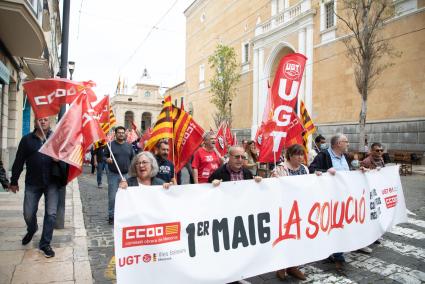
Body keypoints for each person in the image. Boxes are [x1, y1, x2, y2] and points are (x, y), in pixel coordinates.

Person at [9, 117, 67, 258]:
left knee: (51, 214)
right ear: (35, 122)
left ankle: (45, 244)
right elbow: (19, 160)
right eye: (39, 119)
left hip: (52, 182)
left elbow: (67, 161)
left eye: (45, 120)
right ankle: (32, 228)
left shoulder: (56, 139)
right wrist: (14, 180)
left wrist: (58, 160)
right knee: (28, 213)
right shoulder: (27, 140)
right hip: (32, 182)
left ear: (50, 122)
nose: (42, 122)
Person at [308, 133, 351, 271]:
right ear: (338, 143)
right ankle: (337, 255)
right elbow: (312, 170)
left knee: (341, 225)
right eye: (346, 141)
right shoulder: (324, 155)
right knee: (334, 225)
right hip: (329, 199)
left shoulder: (346, 157)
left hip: (344, 198)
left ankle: (333, 251)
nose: (348, 144)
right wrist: (326, 171)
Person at [271, 144, 310, 280]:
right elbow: (275, 189)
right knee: (284, 238)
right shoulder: (280, 168)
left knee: (297, 238)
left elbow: (309, 185)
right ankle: (281, 267)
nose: (301, 157)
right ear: (290, 155)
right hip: (285, 209)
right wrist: (273, 180)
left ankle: (293, 266)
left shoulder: (304, 168)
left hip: (300, 208)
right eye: (297, 154)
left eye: (302, 154)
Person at [105, 126, 135, 225]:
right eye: (119, 132)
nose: (121, 134)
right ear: (115, 134)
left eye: (122, 132)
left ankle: (124, 215)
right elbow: (103, 156)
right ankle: (111, 216)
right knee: (113, 197)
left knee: (126, 196)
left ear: (125, 134)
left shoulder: (129, 146)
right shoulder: (110, 145)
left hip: (126, 175)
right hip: (113, 175)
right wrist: (107, 159)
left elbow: (133, 159)